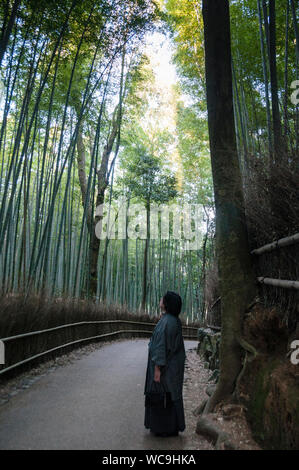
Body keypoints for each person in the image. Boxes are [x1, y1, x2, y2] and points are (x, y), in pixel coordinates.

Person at [144, 291, 186, 437]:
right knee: (171, 394)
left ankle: (163, 428)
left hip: (165, 368)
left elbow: (161, 346)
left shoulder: (167, 322)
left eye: (163, 298)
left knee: (163, 395)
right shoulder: (172, 320)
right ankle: (171, 426)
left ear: (167, 303)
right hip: (172, 367)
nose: (160, 299)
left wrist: (157, 369)